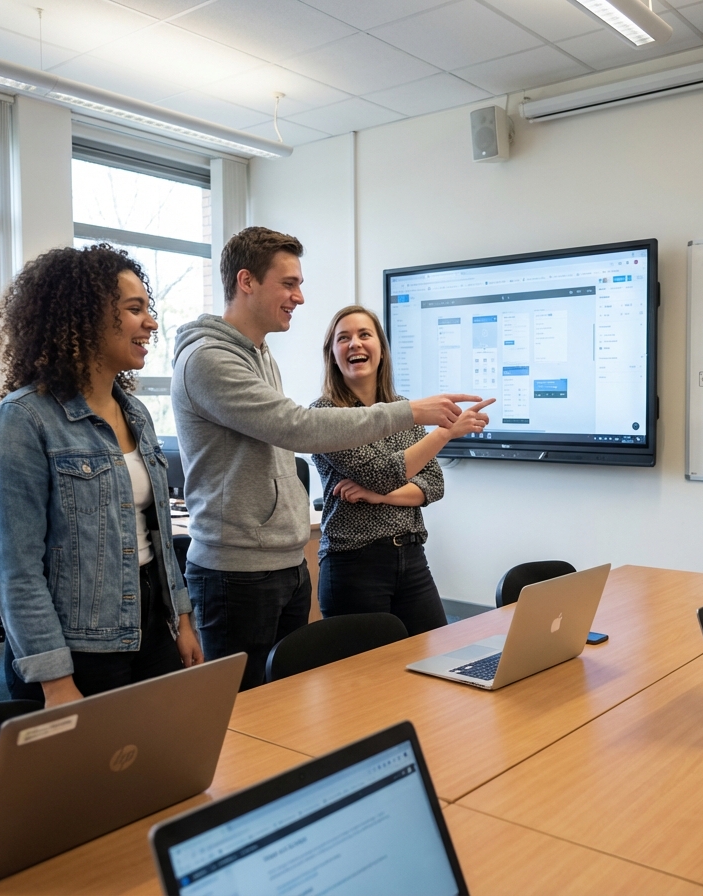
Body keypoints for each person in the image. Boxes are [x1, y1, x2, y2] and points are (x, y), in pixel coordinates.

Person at [171, 226, 487, 689]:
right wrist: (414, 416)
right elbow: (300, 428)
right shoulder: (209, 359)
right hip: (240, 572)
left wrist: (384, 490)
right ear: (246, 281)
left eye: (365, 335)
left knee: (289, 705)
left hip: (285, 563)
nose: (299, 296)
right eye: (289, 283)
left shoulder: (260, 355)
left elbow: (432, 484)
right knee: (255, 717)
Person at [0, 244, 203, 708]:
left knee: (156, 767)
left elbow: (157, 534)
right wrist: (54, 679)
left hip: (150, 625)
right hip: (79, 647)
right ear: (83, 318)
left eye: (149, 308)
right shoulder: (22, 421)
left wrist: (182, 621)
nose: (152, 323)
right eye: (134, 309)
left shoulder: (136, 413)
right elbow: (15, 571)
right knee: (85, 780)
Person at [310, 306, 493, 634]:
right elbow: (379, 473)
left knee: (430, 664)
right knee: (368, 681)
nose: (355, 344)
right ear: (332, 354)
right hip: (354, 564)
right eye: (344, 338)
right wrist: (445, 432)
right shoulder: (325, 414)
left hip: (410, 556)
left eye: (365, 335)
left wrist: (377, 497)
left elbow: (433, 484)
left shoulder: (403, 409)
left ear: (381, 350)